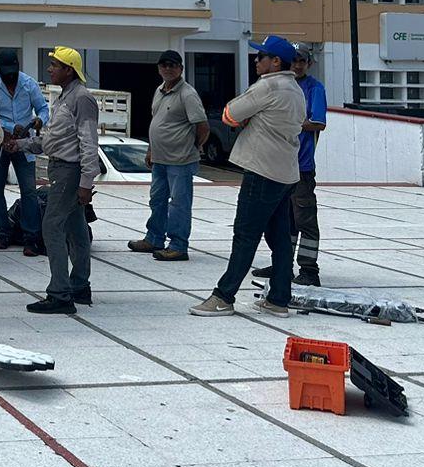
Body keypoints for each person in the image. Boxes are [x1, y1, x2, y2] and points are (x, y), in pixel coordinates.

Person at [190, 36, 305, 318]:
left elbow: (230, 114)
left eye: (261, 56)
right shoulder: (295, 88)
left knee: (245, 233)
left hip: (262, 170)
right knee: (279, 237)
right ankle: (279, 299)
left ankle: (223, 296)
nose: (256, 60)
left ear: (275, 62)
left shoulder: (268, 85)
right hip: (285, 171)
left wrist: (247, 117)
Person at [7, 47, 99, 315]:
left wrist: (85, 182)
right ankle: (79, 285)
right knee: (76, 228)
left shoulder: (81, 99)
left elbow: (89, 143)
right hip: (64, 170)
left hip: (69, 172)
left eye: (55, 65)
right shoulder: (65, 98)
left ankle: (60, 294)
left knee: (51, 228)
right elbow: (53, 140)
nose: (49, 70)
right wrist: (20, 145)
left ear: (69, 70)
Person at [253, 43, 327, 286]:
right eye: (294, 60)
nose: (297, 65)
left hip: (302, 167)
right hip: (277, 165)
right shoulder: (280, 84)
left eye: (302, 61)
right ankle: (282, 265)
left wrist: (287, 123)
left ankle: (309, 270)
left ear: (309, 63)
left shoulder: (314, 88)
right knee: (282, 221)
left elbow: (317, 122)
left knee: (304, 219)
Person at [128, 50, 209, 262]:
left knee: (179, 204)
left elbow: (202, 127)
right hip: (160, 160)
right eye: (164, 64)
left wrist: (191, 147)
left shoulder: (188, 94)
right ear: (158, 68)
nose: (168, 68)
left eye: (172, 65)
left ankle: (178, 246)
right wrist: (150, 149)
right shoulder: (159, 90)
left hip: (180, 161)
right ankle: (154, 238)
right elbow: (157, 121)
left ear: (181, 68)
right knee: (157, 200)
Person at [0, 50, 50, 256]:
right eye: (6, 73)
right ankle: (3, 232)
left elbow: (43, 108)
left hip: (24, 145)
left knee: (29, 191)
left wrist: (40, 119)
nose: (10, 76)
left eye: (13, 72)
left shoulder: (29, 84)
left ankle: (31, 238)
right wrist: (10, 128)